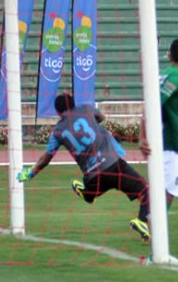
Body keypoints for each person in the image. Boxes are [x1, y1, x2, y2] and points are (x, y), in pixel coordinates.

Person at [16, 93, 151, 242]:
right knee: (145, 191)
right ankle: (142, 220)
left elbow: (46, 158)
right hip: (114, 165)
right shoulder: (86, 109)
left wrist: (31, 172)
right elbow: (101, 117)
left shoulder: (57, 132)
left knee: (91, 195)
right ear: (74, 104)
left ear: (58, 112)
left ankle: (86, 192)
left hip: (93, 176)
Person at [140, 39, 178, 211]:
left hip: (160, 138)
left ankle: (147, 225)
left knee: (160, 189)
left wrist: (143, 135)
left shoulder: (163, 74)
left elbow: (147, 102)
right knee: (169, 191)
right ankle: (149, 226)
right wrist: (143, 136)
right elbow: (154, 102)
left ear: (169, 55)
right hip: (171, 141)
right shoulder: (176, 77)